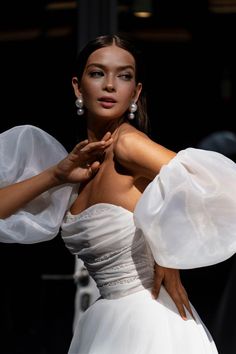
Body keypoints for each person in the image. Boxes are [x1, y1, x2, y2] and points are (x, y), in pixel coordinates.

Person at [0, 34, 236, 354]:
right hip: (107, 319)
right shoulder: (79, 165)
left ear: (135, 91)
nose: (111, 84)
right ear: (77, 86)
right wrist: (56, 176)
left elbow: (216, 185)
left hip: (149, 322)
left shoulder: (127, 145)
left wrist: (170, 251)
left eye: (124, 76)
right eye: (98, 73)